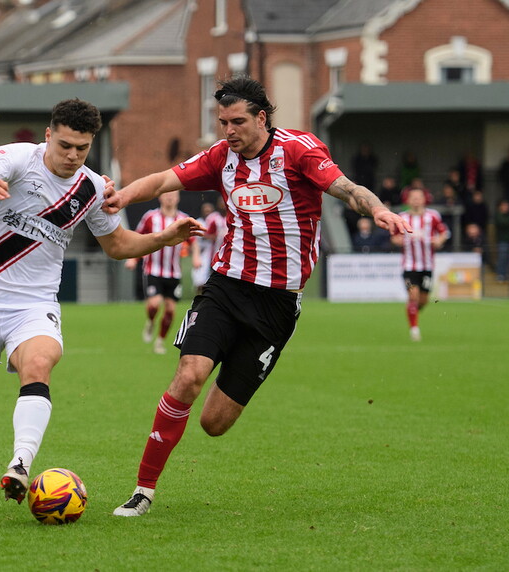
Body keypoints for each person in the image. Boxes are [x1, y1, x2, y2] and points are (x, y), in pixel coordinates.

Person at [99, 77, 410, 517]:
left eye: (238, 122)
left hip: (277, 306)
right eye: (223, 122)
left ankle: (233, 366)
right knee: (188, 376)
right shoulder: (220, 157)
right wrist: (122, 196)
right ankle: (143, 490)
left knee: (214, 423)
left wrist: (377, 208)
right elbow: (164, 179)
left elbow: (345, 188)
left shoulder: (300, 150)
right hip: (226, 287)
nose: (228, 130)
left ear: (262, 118)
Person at [0, 98, 203, 505]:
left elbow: (117, 245)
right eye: (65, 145)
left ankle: (19, 464)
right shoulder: (18, 159)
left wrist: (162, 238)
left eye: (82, 148)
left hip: (35, 304)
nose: (72, 155)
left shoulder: (92, 188)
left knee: (38, 364)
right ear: (48, 135)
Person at [126, 191, 198, 355]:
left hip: (174, 273)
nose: (170, 197)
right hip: (153, 270)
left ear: (178, 198)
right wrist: (133, 259)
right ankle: (151, 321)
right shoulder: (150, 217)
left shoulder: (183, 219)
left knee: (171, 310)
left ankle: (160, 341)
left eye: (173, 195)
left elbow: (193, 242)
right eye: (167, 194)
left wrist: (196, 257)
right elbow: (138, 237)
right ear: (160, 197)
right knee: (154, 304)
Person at [391, 188, 449, 342]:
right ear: (408, 200)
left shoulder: (432, 216)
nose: (416, 200)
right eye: (413, 197)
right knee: (413, 295)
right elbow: (394, 236)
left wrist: (439, 241)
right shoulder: (402, 217)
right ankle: (414, 329)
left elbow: (443, 233)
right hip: (408, 267)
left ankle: (412, 312)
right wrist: (398, 241)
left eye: (419, 197)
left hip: (427, 266)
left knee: (423, 300)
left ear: (424, 199)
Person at [191, 199, 227, 294]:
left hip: (228, 256)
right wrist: (216, 236)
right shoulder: (213, 218)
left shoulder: (233, 217)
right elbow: (206, 234)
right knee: (204, 281)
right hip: (211, 255)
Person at [492, 199, 509, 282]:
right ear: (500, 207)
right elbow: (503, 223)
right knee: (502, 257)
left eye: (507, 206)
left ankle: (507, 274)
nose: (506, 207)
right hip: (502, 240)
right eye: (504, 205)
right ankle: (500, 274)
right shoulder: (498, 215)